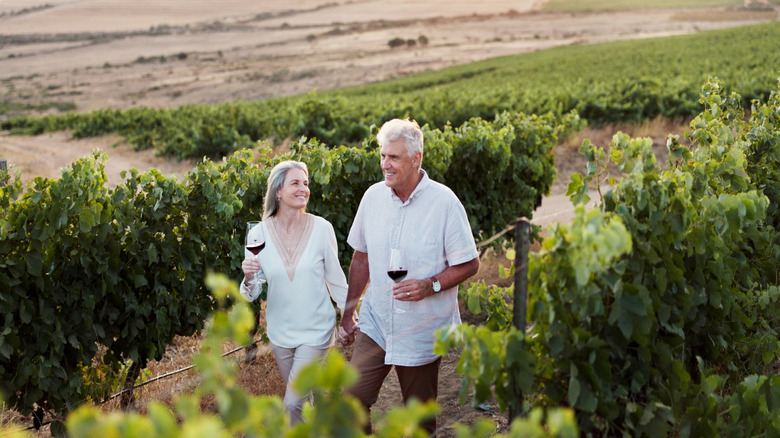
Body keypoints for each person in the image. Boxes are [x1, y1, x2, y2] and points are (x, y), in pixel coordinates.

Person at [338, 118, 480, 435]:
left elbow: (470, 264)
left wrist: (431, 285)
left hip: (421, 329)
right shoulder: (372, 198)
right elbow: (361, 260)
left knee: (418, 419)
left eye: (394, 158)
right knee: (352, 399)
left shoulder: (444, 203)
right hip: (377, 320)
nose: (385, 165)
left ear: (416, 159)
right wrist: (348, 314)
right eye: (383, 156)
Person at [240, 160, 348, 426]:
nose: (304, 188)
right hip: (280, 332)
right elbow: (251, 294)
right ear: (278, 191)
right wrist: (248, 276)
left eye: (306, 183)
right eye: (296, 183)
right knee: (300, 399)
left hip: (316, 330)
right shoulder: (257, 233)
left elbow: (336, 280)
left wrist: (351, 315)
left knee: (291, 402)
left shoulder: (322, 228)